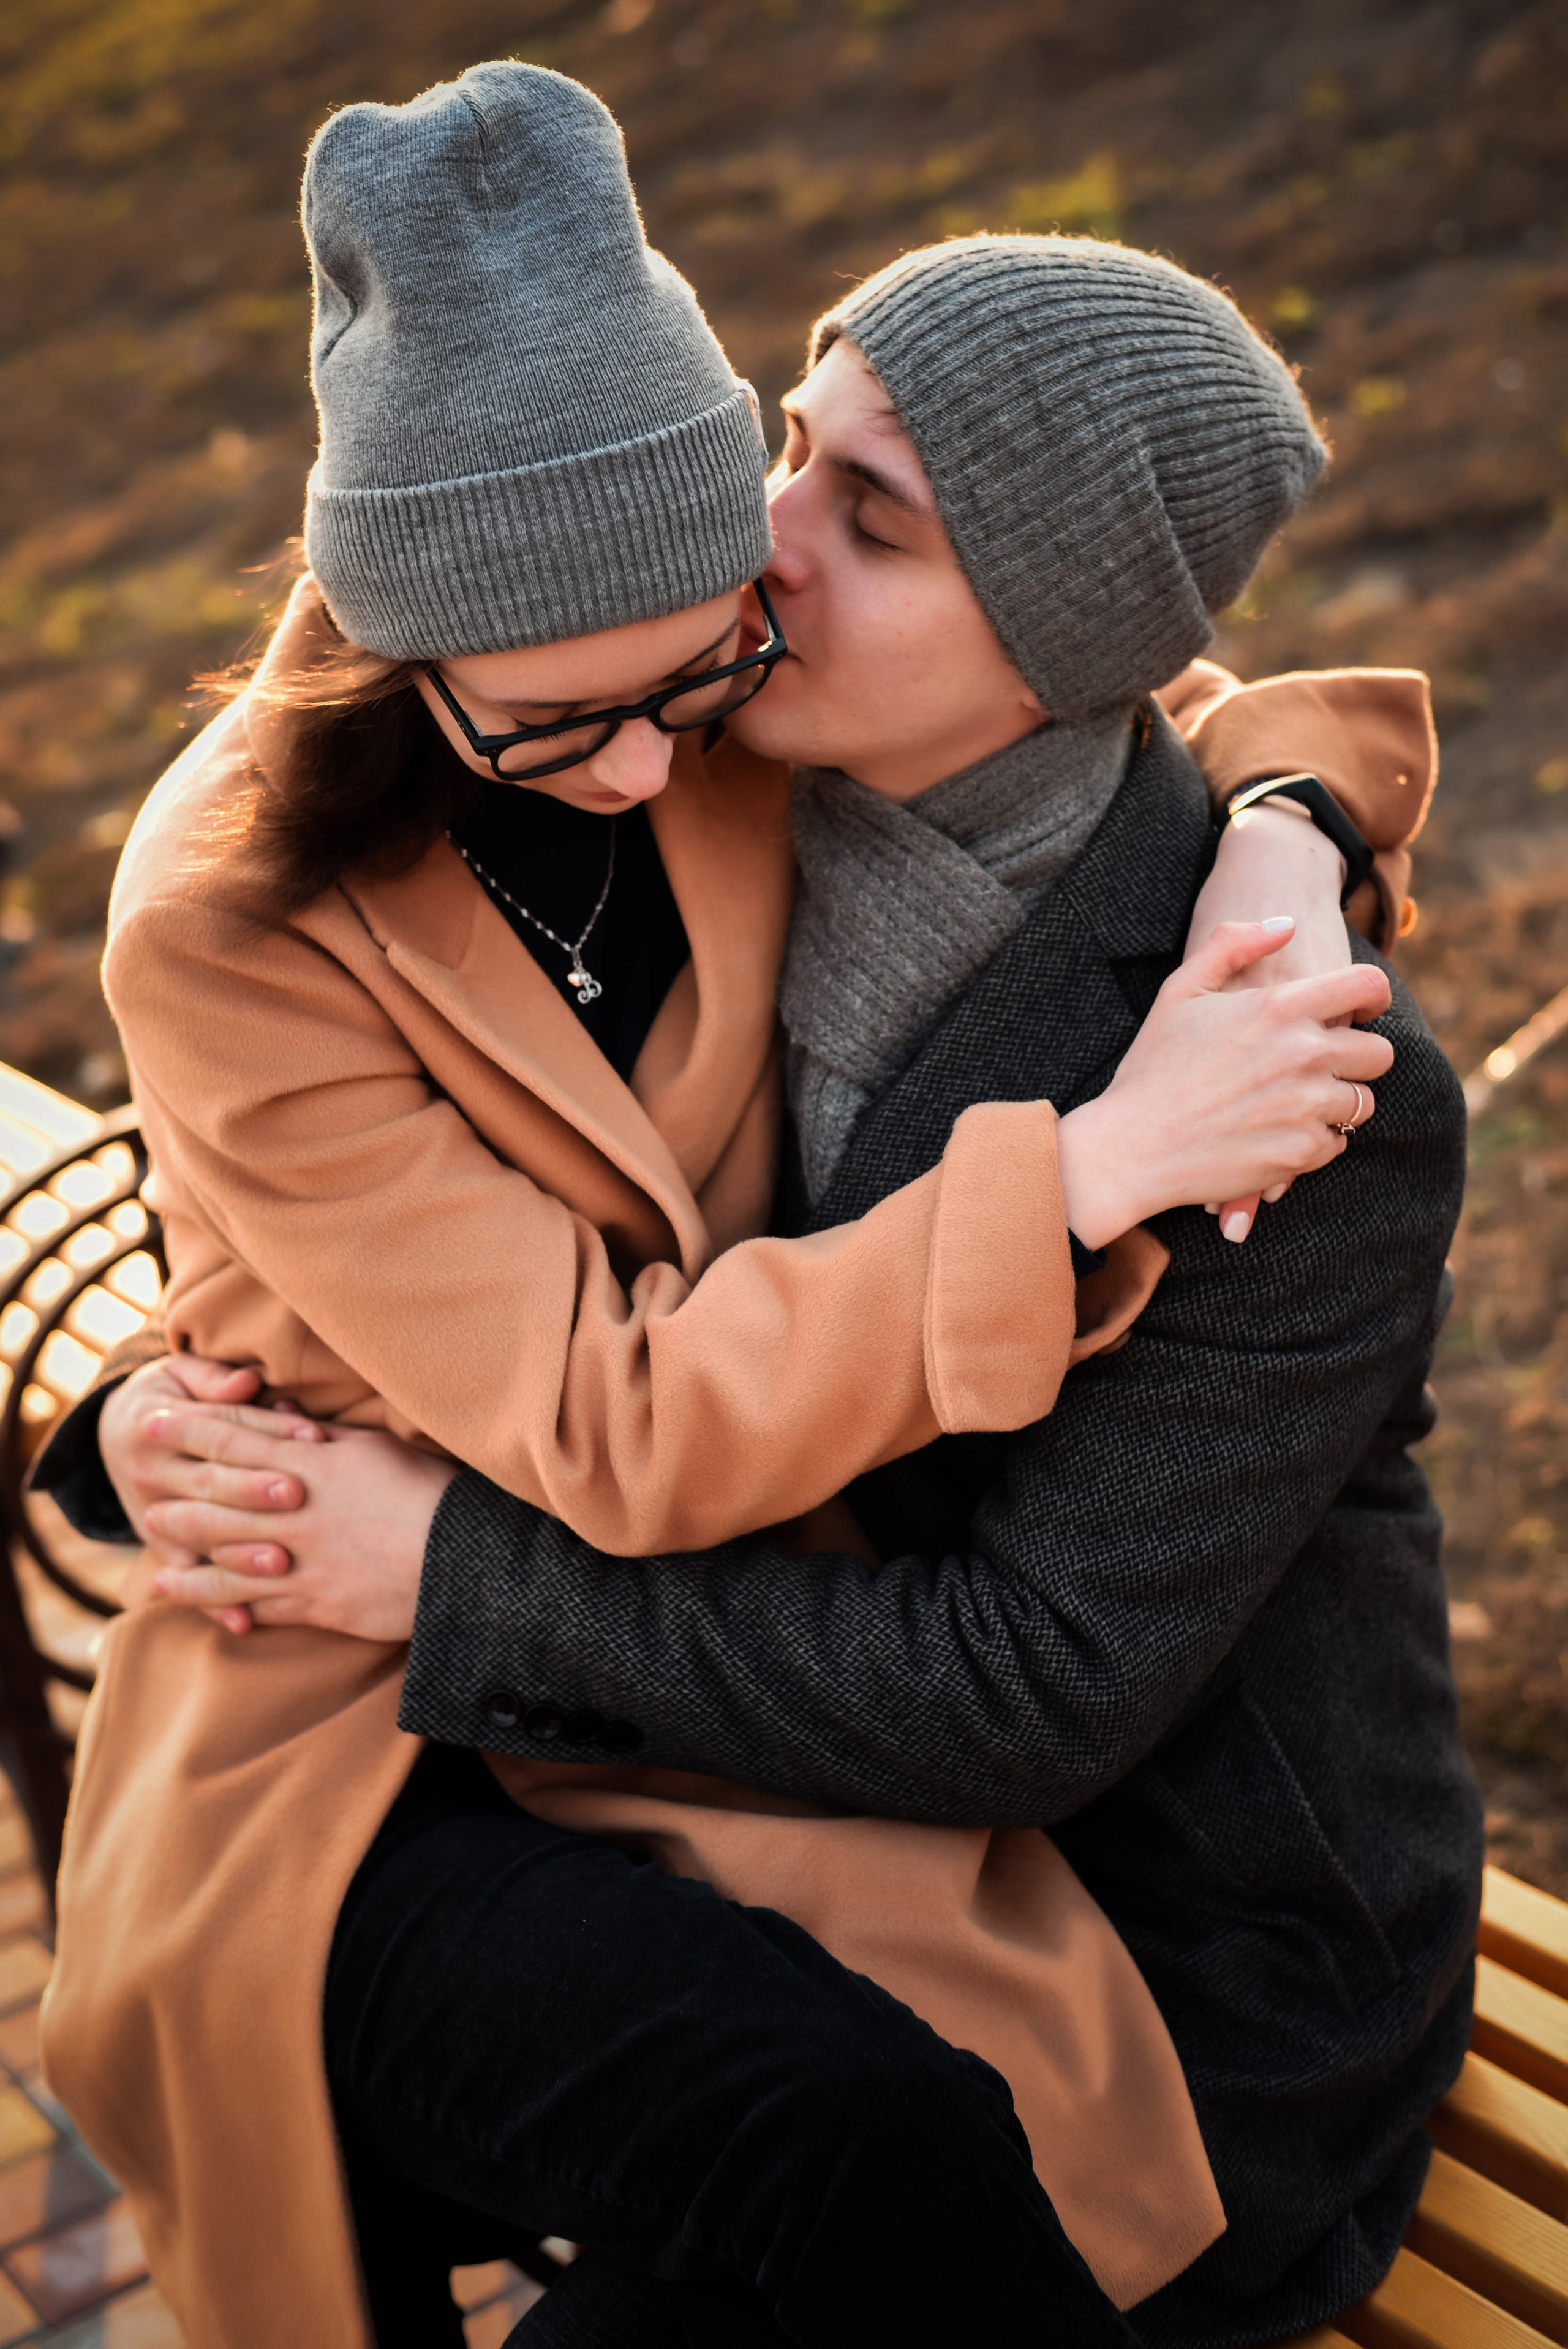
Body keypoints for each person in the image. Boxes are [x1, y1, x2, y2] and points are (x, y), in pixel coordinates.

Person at [34, 62, 1448, 2349]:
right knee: (806, 2155)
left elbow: (1150, 667)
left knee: (833, 2161)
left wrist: (1291, 819)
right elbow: (575, 1393)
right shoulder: (305, 870)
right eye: (545, 728)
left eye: (695, 663)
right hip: (364, 1704)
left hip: (797, 1749)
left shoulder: (770, 693)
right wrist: (1082, 1173)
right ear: (418, 639)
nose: (645, 747)